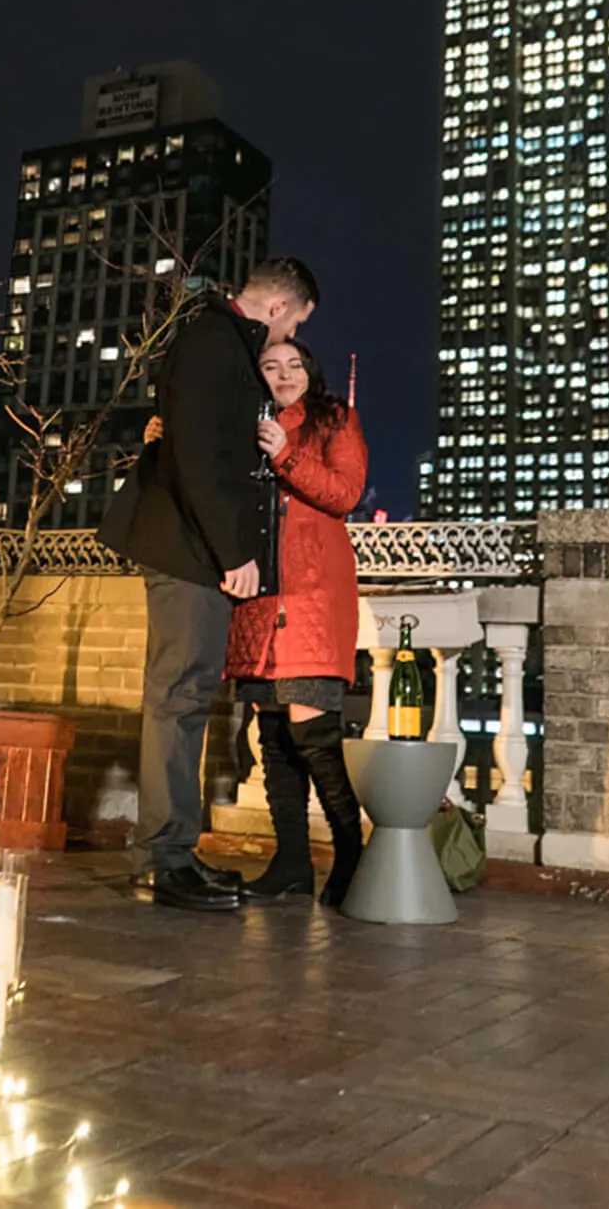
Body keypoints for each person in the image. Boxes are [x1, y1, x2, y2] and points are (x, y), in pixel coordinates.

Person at [99, 256, 318, 912]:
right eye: (298, 322)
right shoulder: (213, 340)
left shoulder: (226, 345)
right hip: (187, 549)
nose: (291, 340)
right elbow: (200, 456)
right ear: (281, 307)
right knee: (179, 695)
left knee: (188, 696)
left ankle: (174, 852)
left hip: (194, 546)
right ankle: (164, 858)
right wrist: (233, 551)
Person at [224, 339, 367, 907]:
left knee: (314, 733)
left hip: (311, 596)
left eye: (294, 365)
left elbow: (344, 493)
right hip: (261, 597)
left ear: (312, 370)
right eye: (270, 365)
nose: (283, 374)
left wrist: (287, 453)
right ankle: (290, 863)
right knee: (274, 736)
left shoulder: (336, 420)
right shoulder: (247, 422)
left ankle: (351, 854)